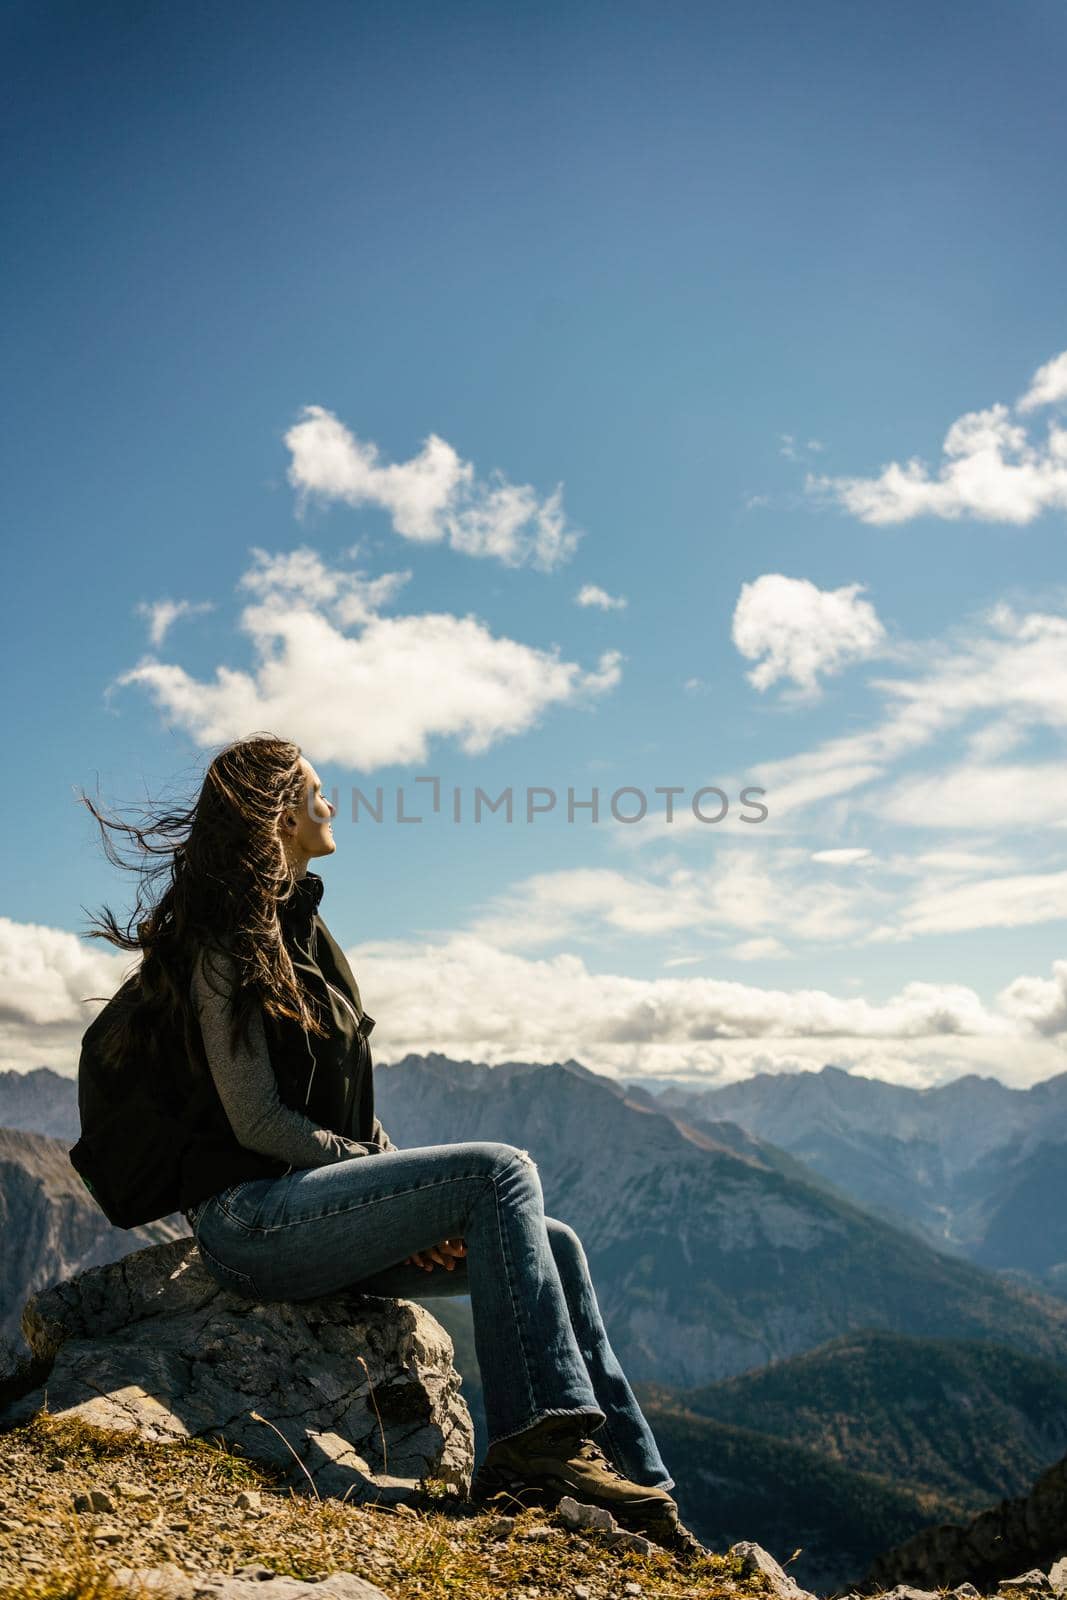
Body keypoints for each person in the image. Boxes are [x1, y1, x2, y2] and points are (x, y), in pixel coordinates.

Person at [79, 733, 706, 1562]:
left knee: (554, 1241)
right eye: (318, 790)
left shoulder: (308, 936)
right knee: (501, 1170)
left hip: (319, 1214)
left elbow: (355, 1111)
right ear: (280, 812)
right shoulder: (225, 944)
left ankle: (644, 1492)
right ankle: (533, 1451)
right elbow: (258, 1122)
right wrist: (411, 1191)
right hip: (254, 1222)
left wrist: (427, 1210)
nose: (332, 804)